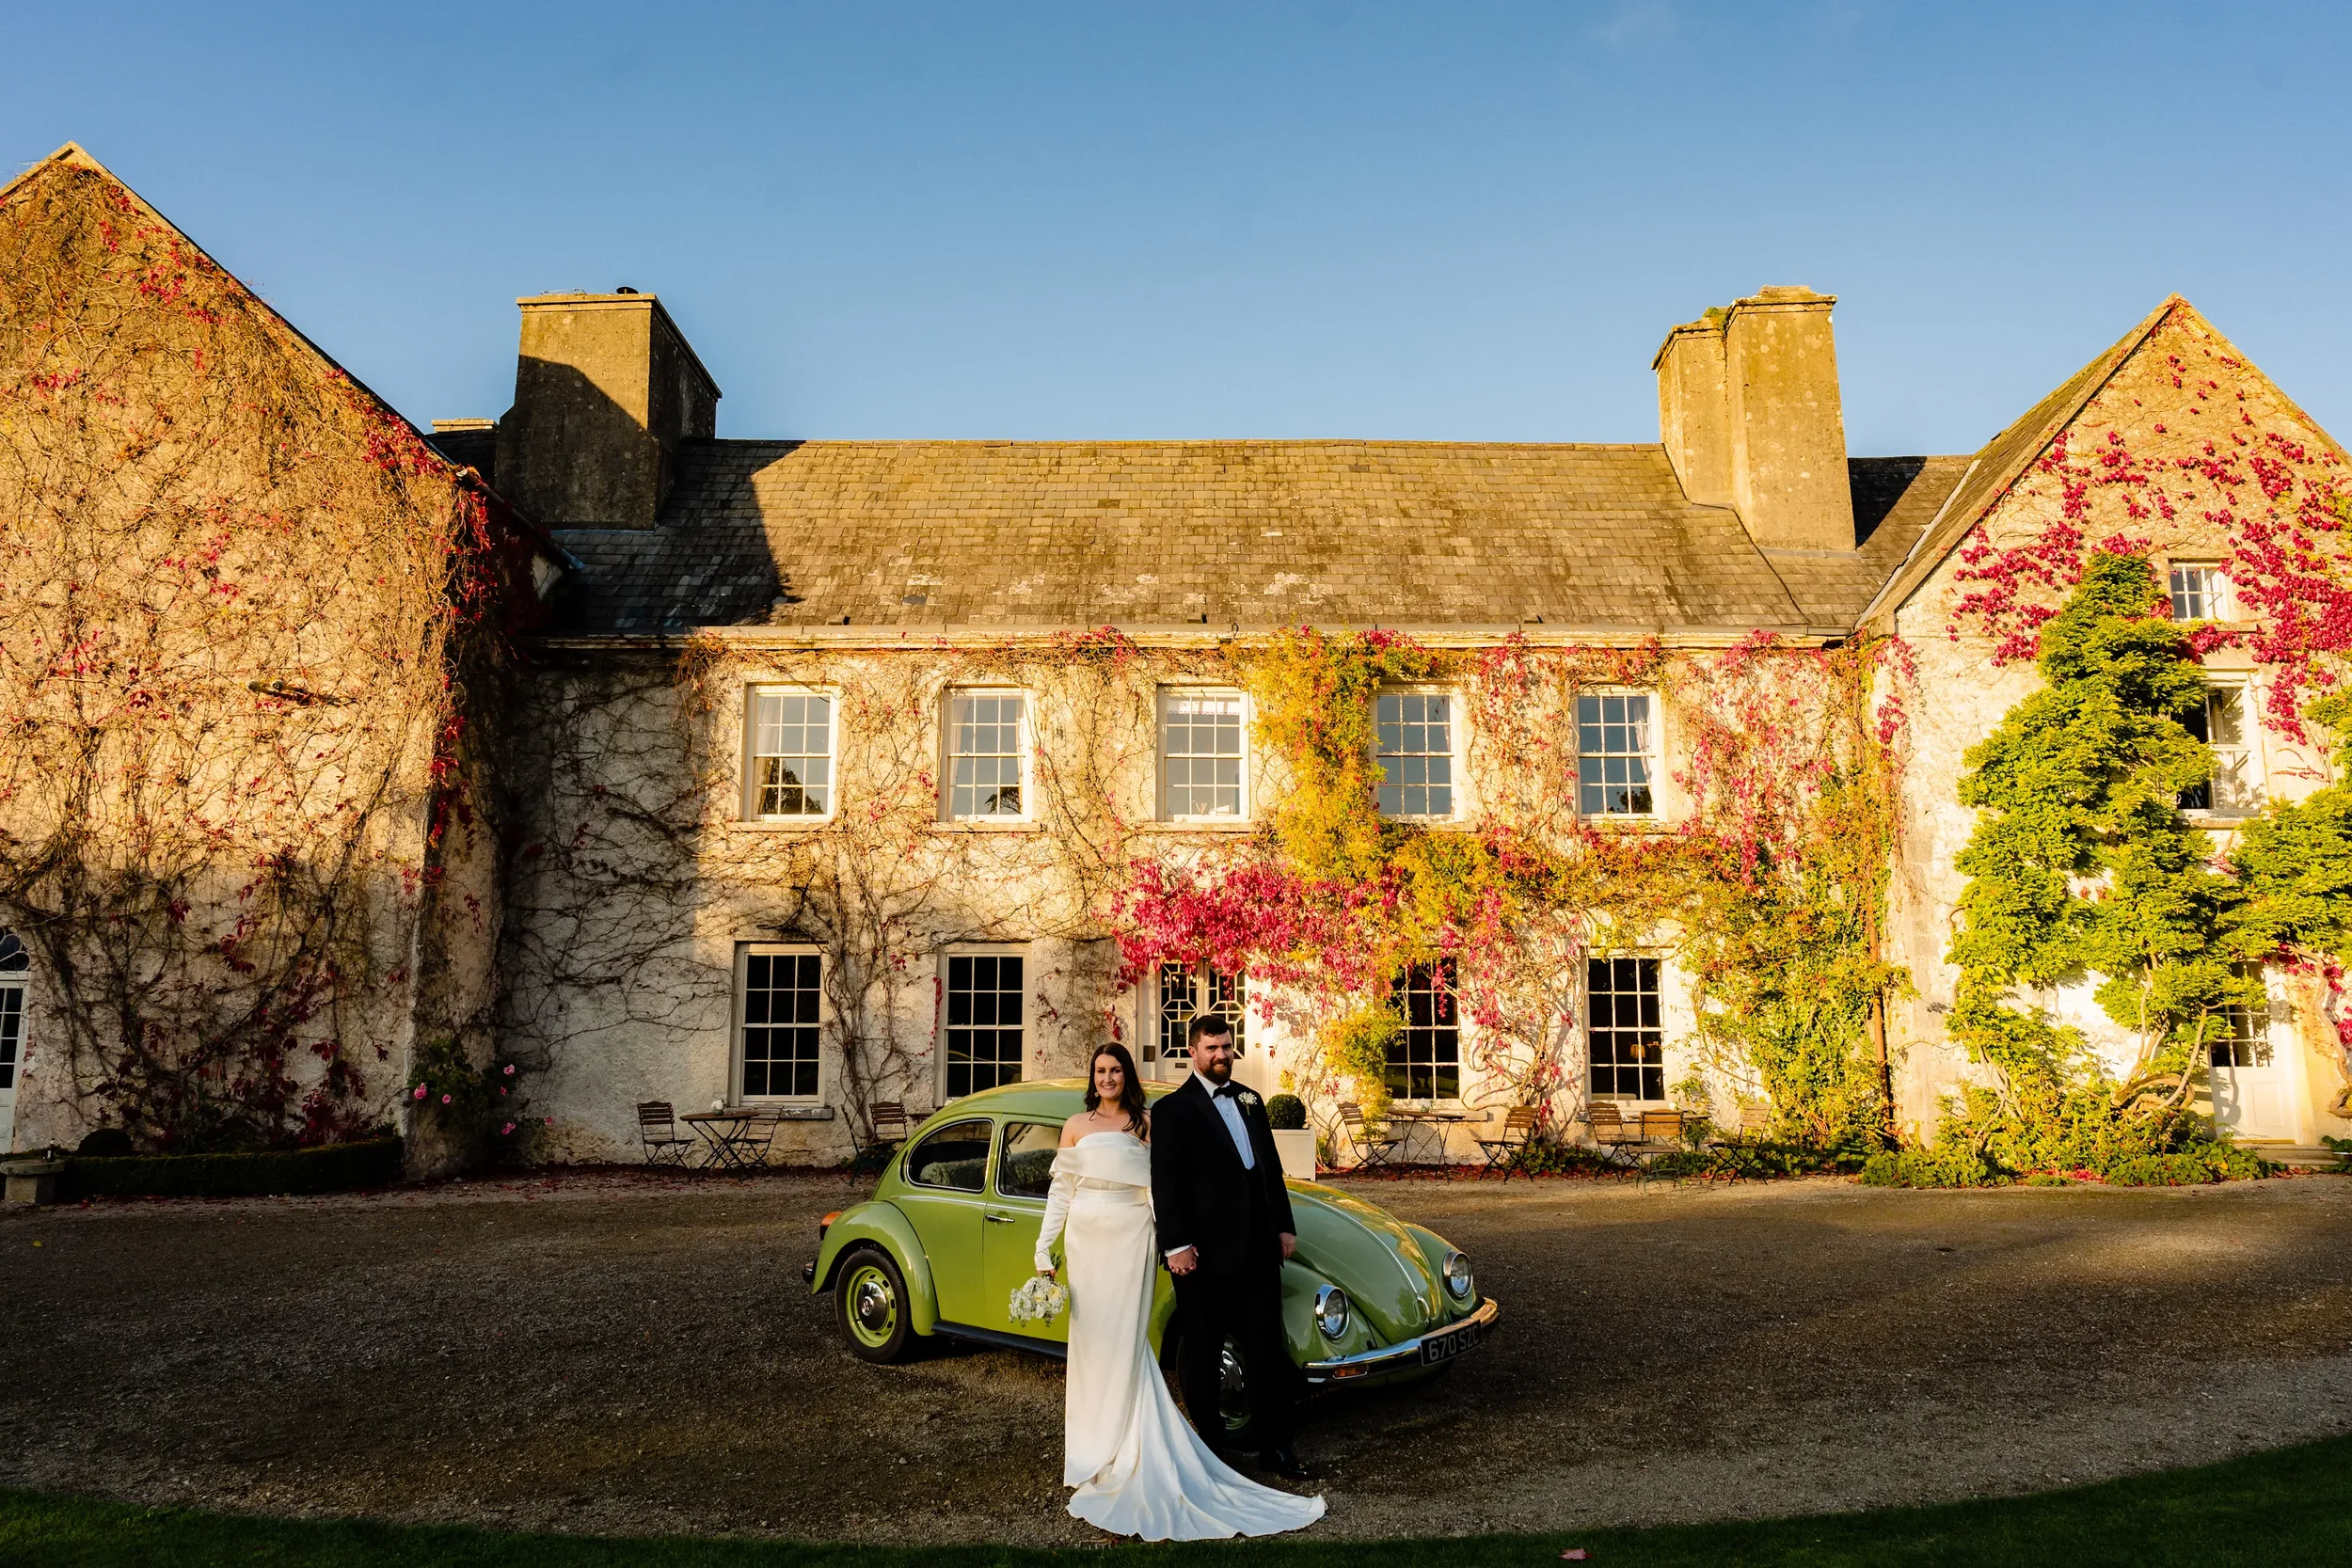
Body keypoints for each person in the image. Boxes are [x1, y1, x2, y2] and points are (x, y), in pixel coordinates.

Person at [1032, 1040, 1324, 1540]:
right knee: (1090, 1345)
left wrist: (1169, 1241)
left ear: (1127, 1075)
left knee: (1126, 1342)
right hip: (1085, 1240)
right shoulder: (1076, 1126)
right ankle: (1090, 1452)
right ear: (1092, 1077)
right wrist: (1043, 1250)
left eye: (1116, 1070)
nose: (1108, 1079)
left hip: (1130, 1239)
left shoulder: (1147, 1123)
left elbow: (1161, 1187)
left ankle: (1133, 1443)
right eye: (1100, 1071)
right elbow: (1062, 1191)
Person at [1150, 1015, 1312, 1480]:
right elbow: (1167, 1185)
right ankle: (1212, 1455)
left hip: (1257, 1252)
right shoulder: (1172, 1111)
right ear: (1193, 1053)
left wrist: (1283, 1226)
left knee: (1267, 1352)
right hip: (1202, 1258)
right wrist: (1176, 1245)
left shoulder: (1251, 1100)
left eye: (1226, 1047)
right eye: (1212, 1048)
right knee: (1201, 1356)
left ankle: (1275, 1448)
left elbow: (1269, 1170)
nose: (1221, 1055)